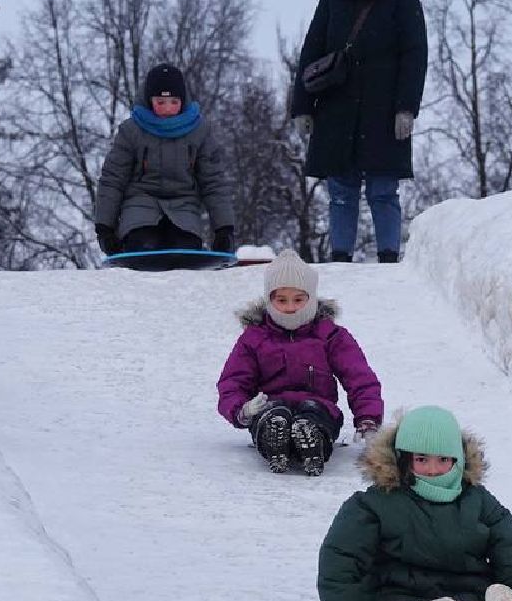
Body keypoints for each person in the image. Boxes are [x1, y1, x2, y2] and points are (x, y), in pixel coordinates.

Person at [315, 406, 512, 601]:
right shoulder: (375, 503)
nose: (433, 469)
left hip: (466, 600)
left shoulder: (480, 503)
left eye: (443, 459)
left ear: (458, 460)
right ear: (402, 459)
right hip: (396, 598)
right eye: (422, 459)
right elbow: (342, 561)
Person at [290, 0, 427, 264]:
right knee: (340, 191)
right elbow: (311, 52)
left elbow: (415, 56)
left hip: (383, 109)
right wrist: (302, 107)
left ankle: (388, 258)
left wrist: (406, 107)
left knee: (383, 190)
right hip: (337, 107)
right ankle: (340, 259)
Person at [216, 249, 382, 475]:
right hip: (270, 403)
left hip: (318, 405)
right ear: (269, 301)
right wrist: (241, 410)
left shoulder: (330, 335)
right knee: (272, 414)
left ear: (311, 299)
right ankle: (274, 439)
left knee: (314, 413)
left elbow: (358, 377)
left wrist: (368, 418)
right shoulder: (255, 338)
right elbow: (233, 381)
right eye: (281, 300)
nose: (290, 307)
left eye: (298, 299)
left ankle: (312, 440)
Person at [93, 63, 237, 256]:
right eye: (161, 102)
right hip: (140, 204)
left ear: (183, 101)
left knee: (183, 250)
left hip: (184, 206)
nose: (168, 109)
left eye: (174, 102)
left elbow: (214, 181)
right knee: (143, 245)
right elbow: (113, 179)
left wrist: (224, 228)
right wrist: (105, 227)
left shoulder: (199, 132)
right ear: (149, 100)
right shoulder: (131, 131)